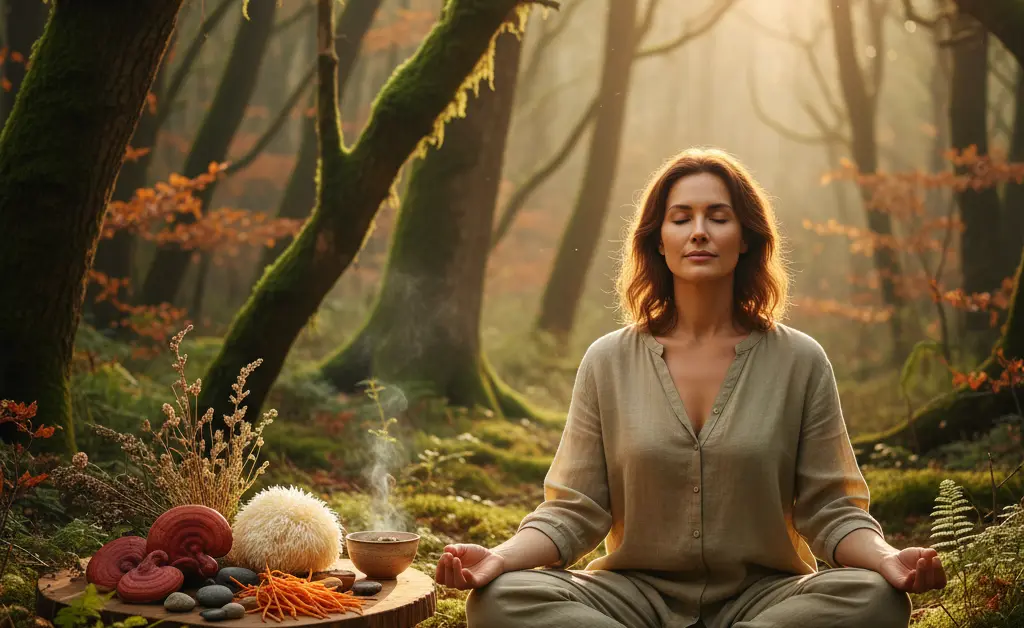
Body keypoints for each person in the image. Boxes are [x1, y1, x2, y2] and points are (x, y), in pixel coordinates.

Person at [434, 148, 947, 628]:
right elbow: (575, 508)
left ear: (745, 236)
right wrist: (499, 557)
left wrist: (887, 560)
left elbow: (830, 509)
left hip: (766, 597)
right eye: (681, 219)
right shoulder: (607, 361)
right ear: (659, 239)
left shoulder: (800, 361)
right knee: (500, 598)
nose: (699, 232)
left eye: (718, 217)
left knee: (875, 596)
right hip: (629, 597)